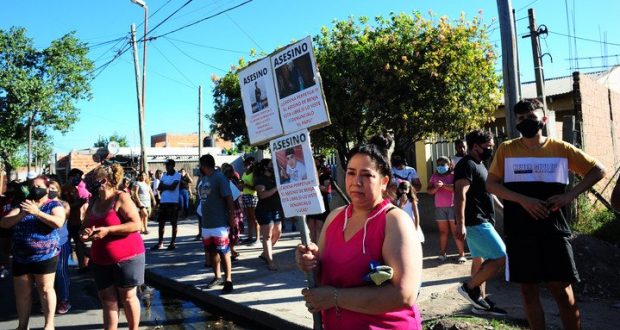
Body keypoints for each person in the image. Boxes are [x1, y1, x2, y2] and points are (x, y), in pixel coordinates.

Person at [487, 99, 606, 330]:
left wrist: (569, 195)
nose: (525, 122)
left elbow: (598, 170)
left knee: (562, 291)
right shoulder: (506, 149)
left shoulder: (561, 148)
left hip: (554, 231)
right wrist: (523, 200)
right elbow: (491, 185)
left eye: (530, 117)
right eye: (520, 118)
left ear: (543, 119)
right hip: (520, 232)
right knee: (528, 291)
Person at [296, 134, 423, 329]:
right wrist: (309, 261)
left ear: (384, 181)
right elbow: (323, 272)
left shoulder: (395, 221)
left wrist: (334, 298)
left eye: (367, 175)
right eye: (351, 173)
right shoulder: (335, 217)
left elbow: (403, 294)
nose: (356, 181)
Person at [80, 164, 145, 330]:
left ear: (103, 181)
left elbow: (136, 224)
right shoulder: (94, 201)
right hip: (101, 259)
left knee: (128, 297)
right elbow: (85, 225)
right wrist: (85, 233)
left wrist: (108, 230)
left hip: (127, 257)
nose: (87, 181)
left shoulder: (121, 197)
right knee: (107, 299)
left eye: (91, 178)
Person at [1, 175, 66, 330]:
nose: (34, 189)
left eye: (38, 186)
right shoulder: (23, 204)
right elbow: (4, 223)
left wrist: (37, 212)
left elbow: (58, 222)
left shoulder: (54, 205)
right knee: (22, 293)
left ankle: (49, 325)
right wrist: (23, 213)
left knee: (45, 289)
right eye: (32, 186)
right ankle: (22, 325)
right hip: (21, 256)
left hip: (46, 255)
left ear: (47, 188)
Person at [454, 130, 507, 316]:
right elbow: (460, 194)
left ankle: (479, 302)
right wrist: (459, 223)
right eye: (488, 146)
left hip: (484, 220)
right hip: (475, 221)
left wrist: (503, 212)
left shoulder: (480, 165)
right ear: (475, 146)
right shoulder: (466, 165)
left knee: (480, 261)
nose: (491, 149)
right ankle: (468, 288)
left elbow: (490, 193)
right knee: (501, 256)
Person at [197, 154, 236, 293]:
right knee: (212, 251)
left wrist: (232, 216)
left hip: (219, 223)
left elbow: (229, 198)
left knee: (224, 251)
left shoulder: (219, 178)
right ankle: (217, 277)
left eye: (200, 165)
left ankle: (228, 280)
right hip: (206, 224)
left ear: (204, 165)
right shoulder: (205, 179)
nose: (199, 167)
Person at [427, 156, 466, 263]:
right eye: (438, 164)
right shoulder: (434, 176)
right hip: (439, 208)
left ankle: (461, 254)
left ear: (449, 166)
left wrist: (443, 186)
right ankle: (442, 253)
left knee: (455, 232)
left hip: (453, 207)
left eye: (443, 164)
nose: (440, 167)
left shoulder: (454, 176)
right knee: (443, 232)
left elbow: (457, 188)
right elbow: (429, 191)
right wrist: (436, 188)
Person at [254, 159, 283, 271]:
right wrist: (276, 188)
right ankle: (270, 261)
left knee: (278, 233)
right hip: (264, 210)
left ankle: (265, 253)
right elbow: (262, 195)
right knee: (267, 236)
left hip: (276, 209)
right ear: (265, 167)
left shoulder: (275, 177)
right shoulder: (260, 179)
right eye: (271, 164)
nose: (273, 166)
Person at [49, 180, 73, 314]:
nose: (49, 190)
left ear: (58, 190)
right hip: (46, 245)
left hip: (60, 243)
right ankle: (48, 299)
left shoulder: (63, 205)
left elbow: (61, 220)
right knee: (47, 275)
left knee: (61, 273)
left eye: (53, 188)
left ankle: (64, 300)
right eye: (48, 188)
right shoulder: (43, 205)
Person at [62, 168, 91, 272]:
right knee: (64, 245)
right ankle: (62, 267)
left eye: (80, 178)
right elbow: (65, 206)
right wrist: (79, 203)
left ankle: (82, 266)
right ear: (71, 177)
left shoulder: (76, 189)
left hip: (77, 221)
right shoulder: (64, 189)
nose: (79, 179)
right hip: (66, 222)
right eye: (77, 177)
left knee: (79, 244)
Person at [153, 159, 181, 250]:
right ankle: (160, 243)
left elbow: (173, 187)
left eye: (168, 165)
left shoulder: (178, 175)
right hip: (163, 202)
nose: (166, 167)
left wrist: (165, 186)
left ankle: (172, 243)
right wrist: (166, 186)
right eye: (166, 165)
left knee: (174, 223)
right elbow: (159, 188)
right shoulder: (164, 175)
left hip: (173, 202)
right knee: (161, 223)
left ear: (173, 165)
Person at [307, 155, 332, 243]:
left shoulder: (325, 173)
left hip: (321, 201)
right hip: (311, 201)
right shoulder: (309, 172)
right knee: (311, 227)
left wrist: (315, 185)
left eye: (316, 161)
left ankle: (318, 248)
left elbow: (326, 189)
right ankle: (312, 245)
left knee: (319, 226)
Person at [222, 163, 244, 261]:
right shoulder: (222, 182)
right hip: (227, 209)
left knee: (237, 231)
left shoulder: (234, 180)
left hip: (236, 207)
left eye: (230, 171)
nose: (229, 173)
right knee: (230, 232)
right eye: (227, 171)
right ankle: (230, 252)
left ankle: (232, 249)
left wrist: (240, 188)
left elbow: (239, 192)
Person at [239, 157, 259, 244]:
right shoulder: (244, 173)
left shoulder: (254, 174)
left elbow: (255, 187)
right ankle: (250, 237)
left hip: (252, 196)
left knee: (254, 218)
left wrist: (246, 185)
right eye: (244, 165)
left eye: (246, 165)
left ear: (250, 164)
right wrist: (241, 184)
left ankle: (257, 238)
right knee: (249, 218)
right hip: (245, 195)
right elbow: (242, 185)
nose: (245, 167)